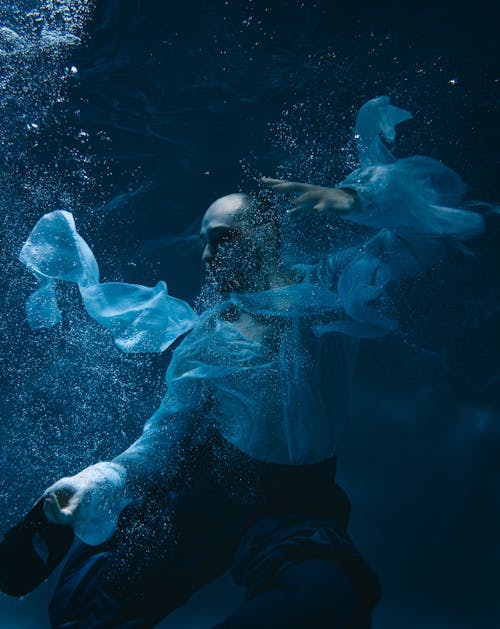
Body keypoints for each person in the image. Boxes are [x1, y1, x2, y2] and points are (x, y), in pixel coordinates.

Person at [16, 97, 484, 628]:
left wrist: (361, 201)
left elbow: (434, 235)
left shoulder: (332, 288)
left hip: (298, 504)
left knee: (329, 595)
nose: (209, 257)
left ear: (267, 236)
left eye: (223, 240)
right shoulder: (206, 337)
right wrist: (101, 477)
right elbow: (162, 437)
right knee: (86, 612)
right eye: (203, 245)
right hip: (209, 489)